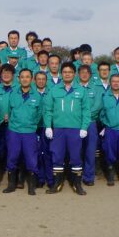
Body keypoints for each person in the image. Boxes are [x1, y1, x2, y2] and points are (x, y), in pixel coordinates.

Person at [43, 62, 90, 195]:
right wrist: (48, 126)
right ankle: (57, 183)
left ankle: (77, 184)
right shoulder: (54, 90)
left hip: (75, 130)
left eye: (70, 72)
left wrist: (84, 127)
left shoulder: (81, 90)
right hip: (58, 130)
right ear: (61, 74)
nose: (67, 74)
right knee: (57, 156)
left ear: (74, 74)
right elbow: (48, 110)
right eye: (65, 72)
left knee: (75, 157)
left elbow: (86, 111)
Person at [3, 69, 42, 195]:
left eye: (27, 77)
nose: (25, 79)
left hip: (29, 132)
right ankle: (11, 184)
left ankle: (31, 186)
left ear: (31, 79)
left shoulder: (37, 96)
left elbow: (39, 114)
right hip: (14, 131)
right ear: (18, 79)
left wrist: (32, 124)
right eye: (22, 77)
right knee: (12, 157)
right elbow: (9, 111)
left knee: (31, 159)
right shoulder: (13, 94)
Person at [77, 65, 104, 186]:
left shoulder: (96, 89)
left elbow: (97, 106)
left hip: (91, 123)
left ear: (90, 74)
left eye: (86, 72)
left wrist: (85, 117)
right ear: (78, 74)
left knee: (90, 150)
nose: (84, 74)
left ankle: (88, 176)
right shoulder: (74, 88)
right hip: (76, 124)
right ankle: (76, 174)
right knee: (76, 151)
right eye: (82, 72)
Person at [33, 72, 54, 188]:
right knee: (37, 153)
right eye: (38, 79)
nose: (41, 81)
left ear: (46, 81)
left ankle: (50, 179)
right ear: (34, 81)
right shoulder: (31, 93)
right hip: (35, 128)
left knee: (48, 153)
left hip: (48, 127)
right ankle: (40, 178)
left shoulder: (51, 93)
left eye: (43, 79)